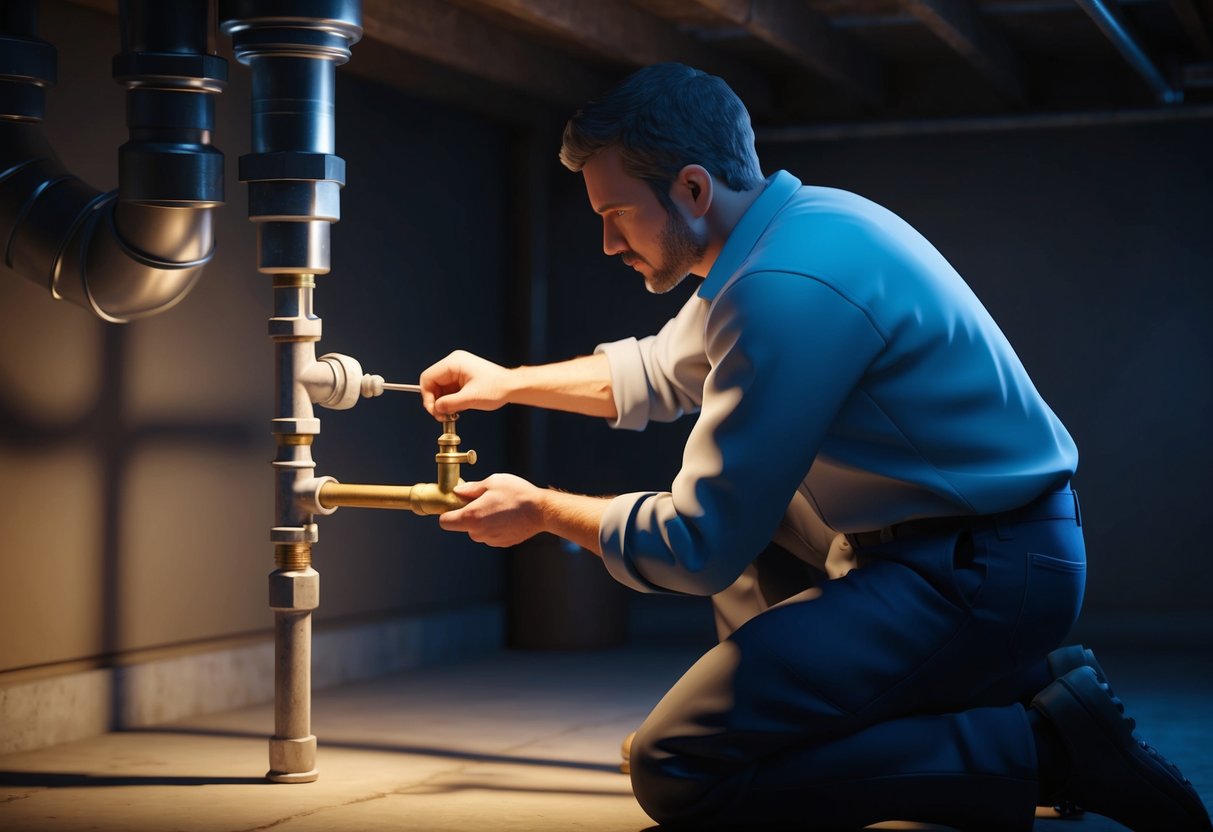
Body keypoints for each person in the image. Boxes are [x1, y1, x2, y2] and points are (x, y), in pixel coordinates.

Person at [418, 63, 1211, 831]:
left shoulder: (782, 287)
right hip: (966, 545)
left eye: (614, 213)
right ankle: (996, 695)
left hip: (984, 571)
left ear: (692, 189)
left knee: (678, 767)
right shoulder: (785, 234)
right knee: (759, 511)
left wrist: (542, 511)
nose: (604, 242)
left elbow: (698, 545)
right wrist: (508, 381)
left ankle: (1043, 747)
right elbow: (657, 370)